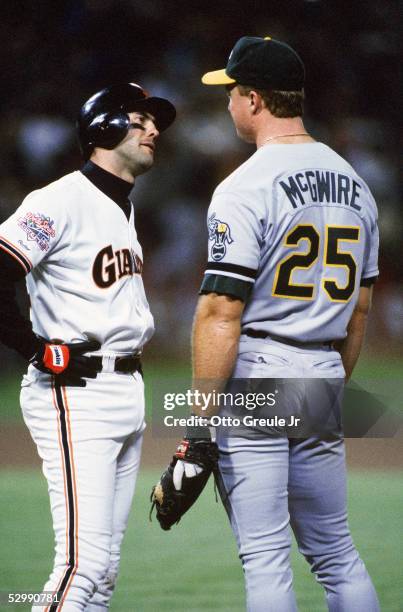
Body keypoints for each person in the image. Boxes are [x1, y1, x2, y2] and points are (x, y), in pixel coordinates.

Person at [170, 37, 380, 611]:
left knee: (264, 558)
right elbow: (359, 312)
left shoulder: (244, 186)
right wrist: (330, 384)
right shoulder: (356, 185)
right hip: (323, 370)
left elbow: (220, 312)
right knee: (337, 553)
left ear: (255, 99)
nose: (229, 104)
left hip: (260, 373)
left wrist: (197, 430)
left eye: (232, 93)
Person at [0, 82, 175, 610]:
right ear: (103, 128)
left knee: (102, 573)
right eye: (139, 118)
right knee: (82, 566)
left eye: (154, 121)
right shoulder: (58, 199)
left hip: (124, 389)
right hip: (75, 388)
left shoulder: (122, 207)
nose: (153, 129)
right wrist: (34, 347)